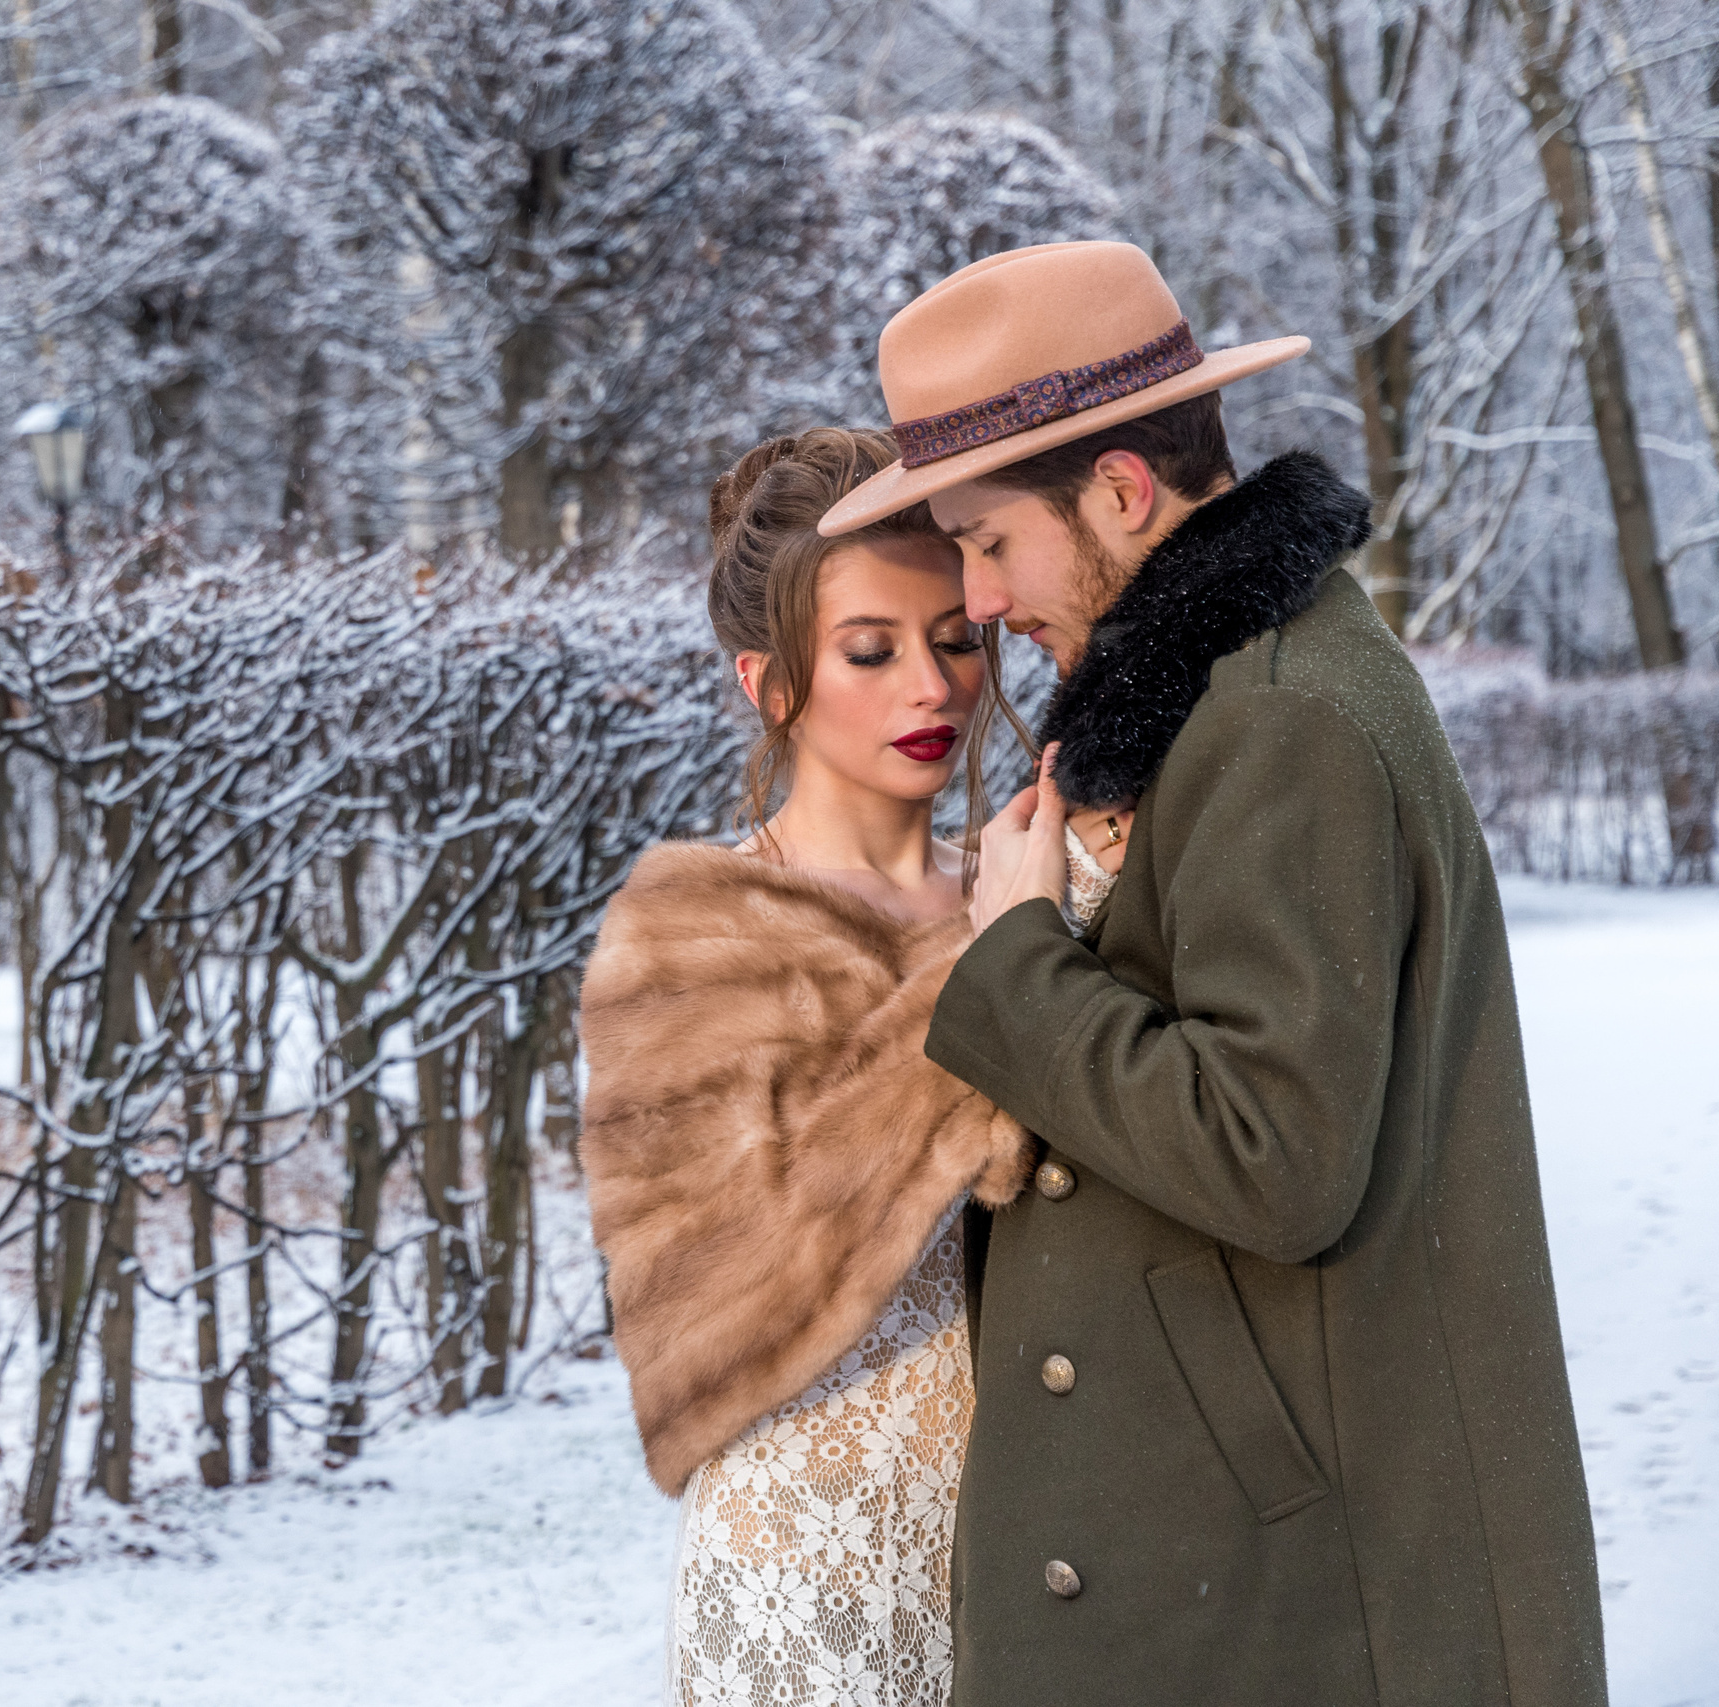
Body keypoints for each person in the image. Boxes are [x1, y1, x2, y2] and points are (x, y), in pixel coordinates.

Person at [815, 240, 1607, 1706]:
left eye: (987, 541)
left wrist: (1017, 961)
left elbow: (1274, 1154)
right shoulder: (1235, 690)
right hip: (1263, 1557)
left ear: (1122, 491)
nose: (976, 596)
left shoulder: (1279, 717)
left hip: (1308, 1596)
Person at [578, 427, 1119, 1706]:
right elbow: (717, 1289)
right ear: (769, 683)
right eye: (869, 651)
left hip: (1035, 1554)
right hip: (804, 1583)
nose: (930, 687)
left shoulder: (1024, 885)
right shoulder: (687, 929)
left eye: (955, 639)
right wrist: (1001, 965)